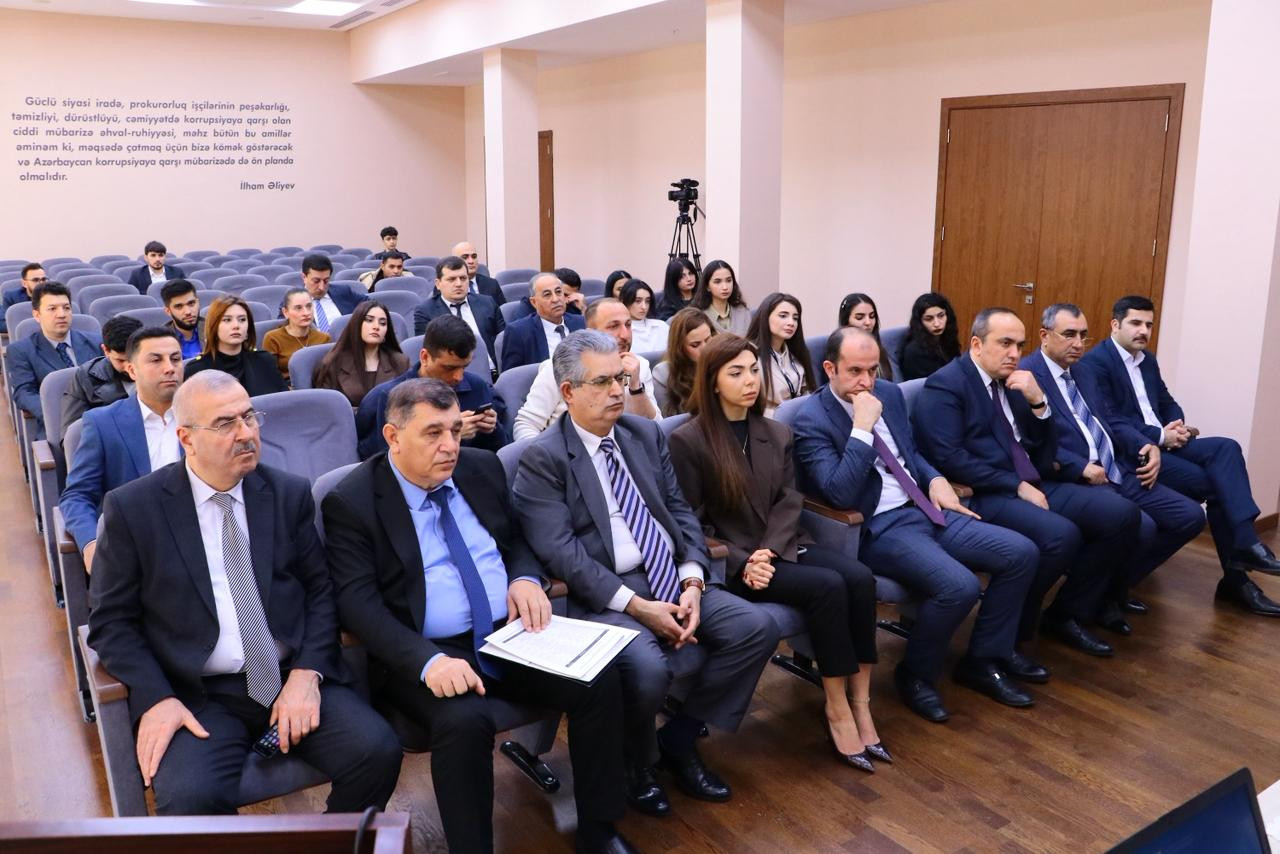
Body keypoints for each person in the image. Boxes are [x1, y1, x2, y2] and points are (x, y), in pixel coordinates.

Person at [322, 378, 634, 854]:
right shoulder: (353, 501)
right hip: (424, 650)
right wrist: (428, 662)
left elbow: (518, 540)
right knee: (464, 721)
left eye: (454, 429)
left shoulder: (481, 467)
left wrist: (524, 578)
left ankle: (599, 830)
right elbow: (359, 606)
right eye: (433, 433)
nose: (450, 445)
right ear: (392, 436)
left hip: (507, 633)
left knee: (598, 678)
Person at [87, 370, 403, 816]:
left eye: (249, 417)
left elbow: (320, 591)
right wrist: (156, 696)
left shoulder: (287, 493)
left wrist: (308, 673)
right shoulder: (134, 508)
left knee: (377, 751)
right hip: (198, 690)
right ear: (186, 438)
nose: (245, 434)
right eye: (225, 423)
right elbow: (110, 622)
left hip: (285, 673)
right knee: (191, 799)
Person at [513, 330, 778, 817]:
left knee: (756, 627)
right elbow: (562, 553)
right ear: (568, 391)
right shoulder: (544, 457)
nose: (618, 390)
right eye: (602, 382)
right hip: (606, 595)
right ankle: (636, 763)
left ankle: (680, 737)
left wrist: (693, 580)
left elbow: (679, 512)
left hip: (671, 576)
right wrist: (637, 607)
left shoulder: (644, 434)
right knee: (648, 668)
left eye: (620, 378)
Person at [793, 327, 1040, 720]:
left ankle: (983, 659)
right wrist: (861, 428)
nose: (867, 382)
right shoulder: (811, 420)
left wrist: (935, 478)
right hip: (879, 526)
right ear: (829, 369)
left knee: (1021, 553)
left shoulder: (888, 394)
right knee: (959, 586)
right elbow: (840, 493)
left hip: (925, 506)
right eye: (855, 371)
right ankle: (915, 675)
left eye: (872, 370)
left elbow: (909, 454)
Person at [669, 335, 888, 771]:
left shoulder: (775, 432)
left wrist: (768, 550)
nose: (750, 380)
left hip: (778, 546)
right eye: (736, 373)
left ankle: (861, 703)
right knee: (827, 586)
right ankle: (836, 708)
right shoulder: (688, 441)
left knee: (860, 578)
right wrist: (744, 561)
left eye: (754, 370)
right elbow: (689, 522)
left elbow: (789, 500)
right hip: (732, 564)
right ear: (712, 382)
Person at [913, 307, 1140, 660]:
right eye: (1005, 343)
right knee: (1061, 536)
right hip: (986, 491)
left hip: (1034, 480)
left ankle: (1060, 614)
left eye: (1019, 345)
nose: (1015, 353)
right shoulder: (947, 384)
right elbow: (950, 457)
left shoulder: (1014, 381)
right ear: (976, 344)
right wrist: (1015, 485)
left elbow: (1043, 451)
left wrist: (1039, 404)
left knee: (1122, 515)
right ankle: (1005, 637)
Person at [1081, 294, 1280, 615]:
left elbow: (1167, 401)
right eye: (1135, 323)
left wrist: (1177, 425)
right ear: (1115, 325)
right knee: (1219, 486)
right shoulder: (1096, 363)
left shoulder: (1147, 360)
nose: (1143, 331)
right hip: (1134, 452)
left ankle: (1245, 544)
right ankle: (1237, 577)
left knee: (1226, 447)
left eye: (1149, 324)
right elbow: (1112, 421)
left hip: (1166, 441)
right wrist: (1161, 436)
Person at [1023, 304, 1205, 631]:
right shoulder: (1027, 376)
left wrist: (1146, 444)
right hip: (1072, 476)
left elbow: (1111, 419)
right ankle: (1071, 611)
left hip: (1116, 468)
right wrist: (1080, 466)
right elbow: (1032, 441)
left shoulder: (1083, 372)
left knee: (1190, 517)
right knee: (1141, 527)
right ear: (1044, 335)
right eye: (1069, 335)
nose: (1078, 343)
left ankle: (1109, 592)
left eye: (1083, 335)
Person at [60, 327, 185, 572]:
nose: (170, 368)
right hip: (138, 547)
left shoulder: (202, 417)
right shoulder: (103, 423)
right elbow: (77, 496)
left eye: (176, 359)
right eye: (156, 360)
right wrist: (91, 544)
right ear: (131, 370)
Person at [357, 315, 506, 459]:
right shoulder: (387, 398)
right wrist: (453, 435)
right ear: (425, 357)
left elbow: (498, 453)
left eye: (464, 367)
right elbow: (386, 462)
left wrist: (492, 429)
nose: (459, 377)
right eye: (449, 368)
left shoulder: (477, 387)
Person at [514, 298, 659, 441]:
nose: (625, 335)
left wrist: (636, 387)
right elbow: (526, 425)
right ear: (591, 332)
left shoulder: (638, 365)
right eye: (613, 326)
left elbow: (655, 429)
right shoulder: (562, 366)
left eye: (628, 325)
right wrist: (548, 454)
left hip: (622, 450)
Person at [8, 282, 102, 436]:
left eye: (66, 308)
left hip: (101, 418)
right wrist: (57, 413)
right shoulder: (21, 350)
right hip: (58, 426)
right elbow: (24, 393)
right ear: (37, 315)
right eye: (52, 309)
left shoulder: (96, 342)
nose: (61, 314)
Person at [413, 255, 504, 371]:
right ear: (438, 284)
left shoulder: (487, 303)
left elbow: (503, 342)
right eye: (452, 279)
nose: (458, 284)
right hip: (452, 374)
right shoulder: (425, 311)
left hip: (493, 372)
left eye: (463, 278)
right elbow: (431, 353)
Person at [183, 296, 287, 397]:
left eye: (242, 320)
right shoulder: (196, 370)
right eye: (227, 320)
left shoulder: (264, 360)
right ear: (214, 326)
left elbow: (281, 401)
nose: (236, 326)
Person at [312, 300, 408, 409]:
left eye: (382, 323)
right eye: (369, 320)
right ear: (357, 325)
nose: (376, 327)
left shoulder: (400, 363)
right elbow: (326, 409)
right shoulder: (332, 364)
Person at [60, 315, 142, 439]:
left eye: (133, 359)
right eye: (121, 361)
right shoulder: (85, 378)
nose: (128, 367)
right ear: (106, 351)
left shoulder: (163, 370)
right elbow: (72, 436)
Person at [500, 272, 586, 371]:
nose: (555, 299)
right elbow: (512, 375)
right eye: (547, 295)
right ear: (534, 302)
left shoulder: (581, 323)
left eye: (558, 292)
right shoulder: (518, 332)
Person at [747, 292, 816, 415]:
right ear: (765, 317)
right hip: (767, 419)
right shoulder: (750, 354)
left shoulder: (796, 353)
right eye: (783, 316)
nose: (791, 323)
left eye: (795, 318)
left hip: (797, 417)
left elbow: (807, 392)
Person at [651, 308, 715, 417]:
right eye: (695, 345)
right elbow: (669, 421)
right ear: (680, 348)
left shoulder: (721, 363)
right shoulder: (663, 373)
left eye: (708, 340)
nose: (705, 349)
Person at [261, 288, 330, 384]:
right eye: (298, 308)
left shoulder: (324, 338)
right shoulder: (273, 338)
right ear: (285, 312)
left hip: (318, 386)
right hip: (287, 388)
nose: (306, 313)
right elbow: (269, 377)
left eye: (309, 306)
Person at [301, 254, 367, 335]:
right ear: (304, 277)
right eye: (316, 281)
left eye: (326, 281)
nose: (321, 287)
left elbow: (370, 304)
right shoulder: (293, 301)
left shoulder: (343, 292)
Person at [899, 293, 960, 381]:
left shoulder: (947, 339)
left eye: (941, 316)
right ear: (920, 322)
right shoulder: (915, 351)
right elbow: (933, 382)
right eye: (929, 319)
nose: (937, 324)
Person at [838, 293, 893, 380]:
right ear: (846, 320)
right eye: (859, 317)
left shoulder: (878, 348)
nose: (868, 322)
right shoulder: (837, 351)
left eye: (872, 316)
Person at [692, 260, 750, 336]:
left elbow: (751, 340)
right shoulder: (697, 316)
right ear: (707, 286)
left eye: (729, 280)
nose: (725, 287)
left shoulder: (742, 311)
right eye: (717, 282)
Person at [620, 280, 669, 354]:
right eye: (638, 301)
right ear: (624, 301)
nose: (644, 307)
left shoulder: (662, 326)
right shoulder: (622, 331)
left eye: (647, 301)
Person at [451, 240, 505, 305]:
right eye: (465, 257)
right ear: (454, 261)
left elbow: (502, 309)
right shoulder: (447, 286)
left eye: (474, 257)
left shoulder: (492, 284)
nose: (471, 261)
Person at [160, 279, 204, 360]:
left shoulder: (215, 329)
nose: (188, 312)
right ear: (168, 311)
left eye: (191, 303)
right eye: (179, 306)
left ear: (198, 303)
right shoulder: (161, 340)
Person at [0, 263, 45, 334]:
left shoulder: (53, 296)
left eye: (43, 279)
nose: (41, 283)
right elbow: (2, 324)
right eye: (35, 280)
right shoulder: (11, 297)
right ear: (24, 284)